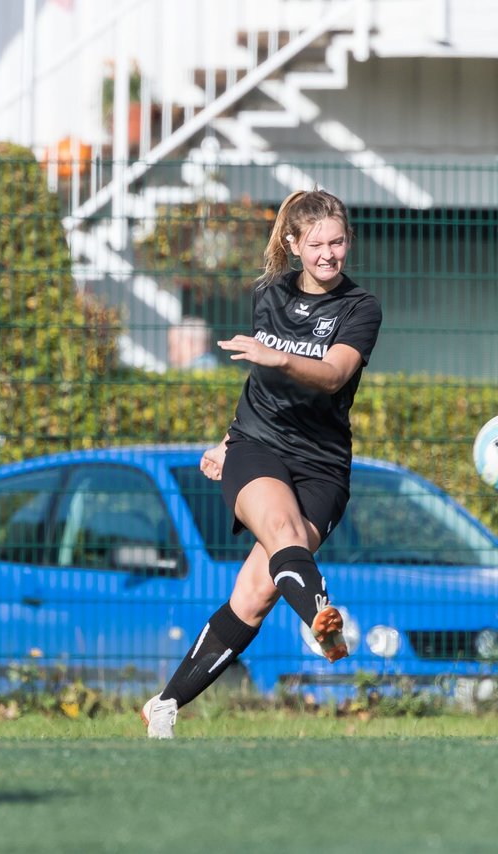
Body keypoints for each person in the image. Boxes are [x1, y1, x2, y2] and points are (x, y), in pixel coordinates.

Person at [141, 189, 383, 738]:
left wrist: (279, 355)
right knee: (282, 531)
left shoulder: (360, 308)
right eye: (317, 243)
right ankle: (322, 620)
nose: (329, 253)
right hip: (258, 448)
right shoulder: (269, 294)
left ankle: (165, 704)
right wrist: (229, 442)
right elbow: (261, 389)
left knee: (254, 594)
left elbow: (333, 375)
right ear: (295, 244)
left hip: (323, 465)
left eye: (338, 241)